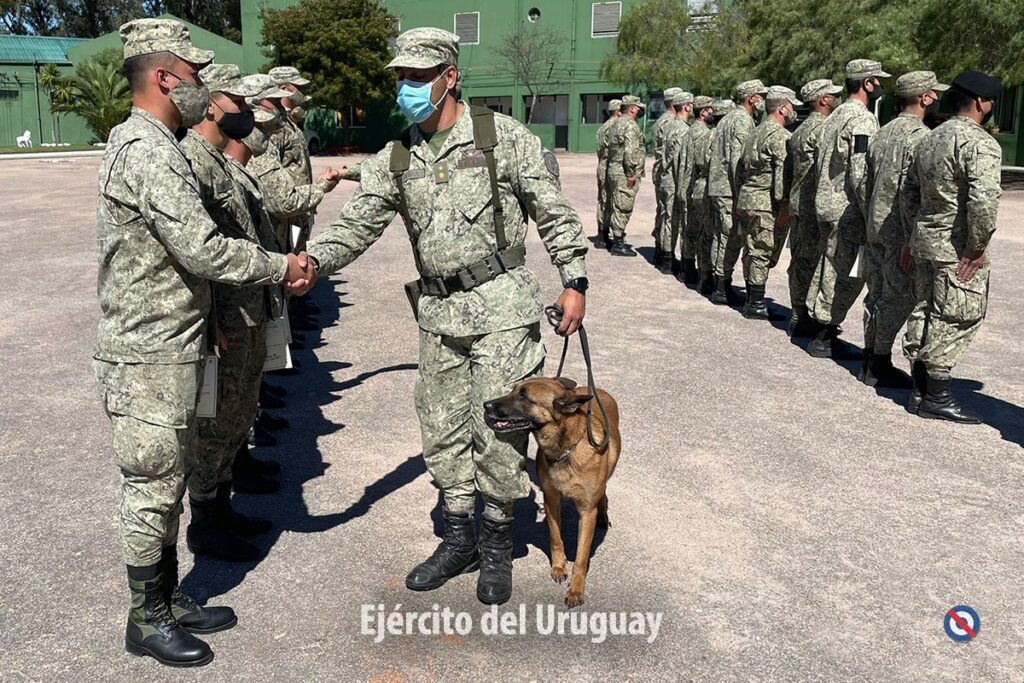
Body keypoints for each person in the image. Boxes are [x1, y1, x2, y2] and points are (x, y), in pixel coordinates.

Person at [303, 28, 589, 606]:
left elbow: (552, 210)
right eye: (401, 78)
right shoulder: (398, 155)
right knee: (441, 428)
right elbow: (357, 225)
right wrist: (311, 263)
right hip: (438, 316)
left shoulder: (501, 138)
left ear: (449, 77)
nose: (406, 88)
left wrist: (574, 279)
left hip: (502, 310)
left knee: (500, 430)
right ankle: (458, 539)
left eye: (417, 77)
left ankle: (497, 541)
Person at [93, 19, 312, 667]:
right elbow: (203, 247)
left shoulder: (157, 144)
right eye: (193, 74)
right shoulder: (148, 151)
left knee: (168, 480)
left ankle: (166, 597)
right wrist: (280, 266)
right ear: (165, 78)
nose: (201, 86)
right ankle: (146, 617)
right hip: (147, 352)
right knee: (152, 486)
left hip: (174, 343)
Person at [177, 63, 282, 562]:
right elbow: (196, 254)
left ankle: (221, 508)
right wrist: (210, 319)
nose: (246, 112)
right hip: (224, 319)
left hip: (249, 313)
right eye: (238, 103)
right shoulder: (191, 162)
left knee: (237, 415)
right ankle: (205, 523)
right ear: (212, 103)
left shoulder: (221, 161)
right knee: (214, 423)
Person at [901, 70, 1002, 423]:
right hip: (955, 247)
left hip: (926, 241)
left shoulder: (929, 138)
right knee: (958, 316)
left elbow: (909, 192)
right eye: (991, 101)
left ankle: (918, 390)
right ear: (980, 103)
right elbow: (984, 201)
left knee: (924, 309)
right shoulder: (980, 143)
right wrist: (976, 247)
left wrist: (912, 234)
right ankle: (937, 395)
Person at [860, 71, 948, 387]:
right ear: (924, 97)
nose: (938, 99)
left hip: (875, 225)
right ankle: (879, 363)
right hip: (900, 231)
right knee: (898, 297)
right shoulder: (921, 138)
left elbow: (864, 183)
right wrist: (913, 237)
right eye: (934, 94)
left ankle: (870, 357)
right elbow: (915, 193)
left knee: (876, 293)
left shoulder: (882, 132)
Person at [806, 59, 890, 357]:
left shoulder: (835, 115)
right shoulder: (862, 120)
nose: (881, 85)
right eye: (878, 80)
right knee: (847, 274)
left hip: (827, 204)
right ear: (867, 83)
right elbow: (859, 171)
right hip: (846, 210)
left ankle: (821, 328)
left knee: (830, 266)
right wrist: (872, 214)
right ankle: (824, 335)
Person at [736, 86, 800, 319]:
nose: (794, 111)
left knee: (751, 248)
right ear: (782, 109)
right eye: (792, 107)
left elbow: (740, 169)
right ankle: (756, 303)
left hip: (747, 198)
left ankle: (752, 298)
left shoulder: (754, 132)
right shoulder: (781, 136)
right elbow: (782, 175)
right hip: (765, 202)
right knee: (762, 251)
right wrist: (784, 206)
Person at [786, 79, 842, 337]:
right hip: (814, 206)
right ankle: (806, 317)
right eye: (833, 95)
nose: (836, 98)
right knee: (814, 263)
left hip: (799, 203)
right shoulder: (823, 129)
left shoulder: (799, 130)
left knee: (800, 260)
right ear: (823, 100)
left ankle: (798, 313)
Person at [708, 80, 767, 305]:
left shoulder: (728, 118)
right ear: (751, 98)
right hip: (729, 188)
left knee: (722, 235)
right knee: (730, 237)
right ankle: (722, 287)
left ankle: (719, 282)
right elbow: (737, 160)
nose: (764, 100)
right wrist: (739, 193)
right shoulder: (742, 120)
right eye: (761, 96)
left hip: (719, 185)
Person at [678, 95, 716, 292]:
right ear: (703, 112)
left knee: (690, 230)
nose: (713, 113)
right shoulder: (703, 133)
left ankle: (687, 268)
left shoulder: (689, 130)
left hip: (686, 185)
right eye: (710, 109)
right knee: (702, 232)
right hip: (697, 186)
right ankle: (703, 274)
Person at [659, 90, 694, 279]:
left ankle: (666, 259)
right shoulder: (682, 129)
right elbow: (680, 162)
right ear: (686, 106)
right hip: (675, 180)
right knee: (677, 222)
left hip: (666, 179)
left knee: (667, 219)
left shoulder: (670, 125)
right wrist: (683, 189)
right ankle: (672, 262)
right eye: (692, 104)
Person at [606, 95, 647, 256]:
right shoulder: (630, 125)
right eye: (638, 108)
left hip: (614, 169)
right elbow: (630, 151)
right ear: (632, 108)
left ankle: (618, 238)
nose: (640, 110)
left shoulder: (615, 124)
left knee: (616, 205)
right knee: (623, 206)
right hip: (624, 172)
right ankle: (618, 244)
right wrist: (631, 173)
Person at [651, 86, 682, 268]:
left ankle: (659, 251)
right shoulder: (671, 122)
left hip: (660, 171)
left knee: (662, 213)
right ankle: (665, 255)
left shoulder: (661, 120)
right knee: (669, 215)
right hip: (667, 171)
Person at [594, 98, 622, 249]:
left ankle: (602, 234)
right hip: (609, 165)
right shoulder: (615, 127)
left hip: (601, 165)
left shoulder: (602, 127)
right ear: (618, 112)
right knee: (612, 200)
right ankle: (607, 236)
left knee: (602, 200)